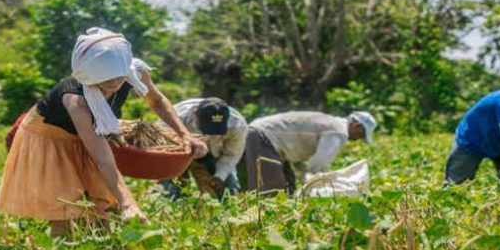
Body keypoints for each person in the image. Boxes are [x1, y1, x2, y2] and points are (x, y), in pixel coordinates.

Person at [0, 27, 208, 236]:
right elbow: (101, 156)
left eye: (118, 76)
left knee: (100, 209)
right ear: (88, 76)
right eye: (106, 80)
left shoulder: (135, 73)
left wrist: (184, 134)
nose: (115, 83)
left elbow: (157, 100)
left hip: (88, 133)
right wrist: (128, 204)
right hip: (50, 138)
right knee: (67, 211)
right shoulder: (75, 100)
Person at [246, 111, 376, 195]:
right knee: (272, 191)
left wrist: (305, 177)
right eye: (361, 135)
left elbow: (298, 157)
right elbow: (318, 164)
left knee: (289, 189)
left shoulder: (331, 123)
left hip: (262, 136)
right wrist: (327, 185)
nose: (357, 139)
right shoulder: (339, 131)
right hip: (263, 137)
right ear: (357, 125)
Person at [159, 97, 248, 200]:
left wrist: (219, 176)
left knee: (230, 189)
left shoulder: (237, 126)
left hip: (214, 153)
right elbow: (162, 148)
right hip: (179, 152)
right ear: (195, 114)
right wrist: (172, 169)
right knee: (172, 188)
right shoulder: (174, 119)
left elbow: (232, 154)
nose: (210, 133)